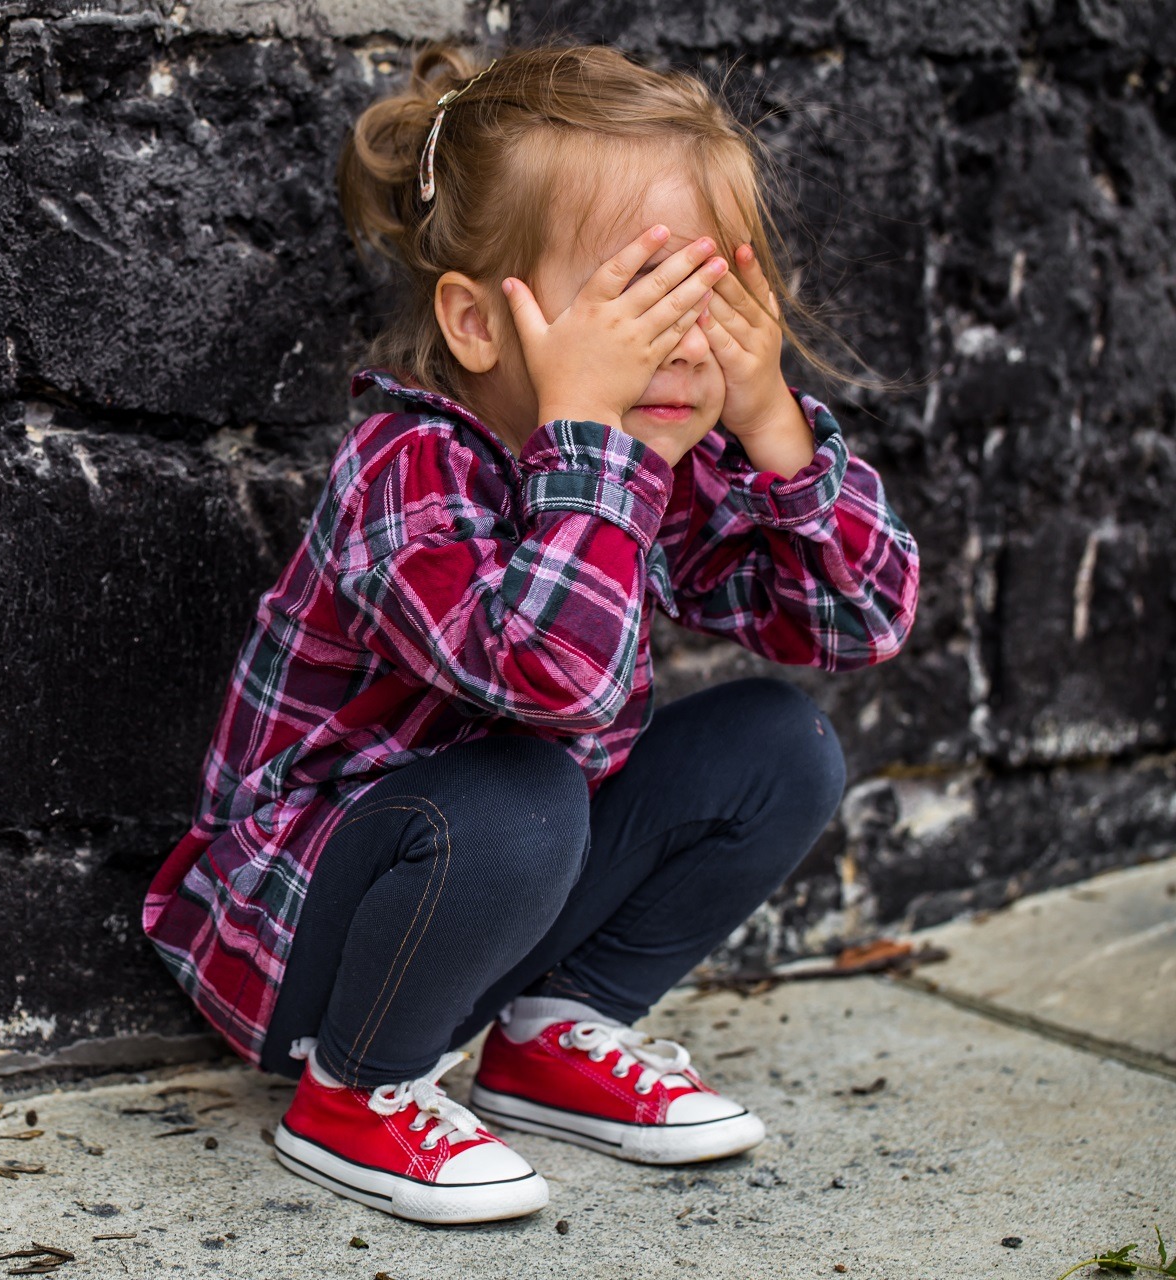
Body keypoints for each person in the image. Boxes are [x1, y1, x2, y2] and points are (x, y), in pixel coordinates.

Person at [141, 42, 921, 1225]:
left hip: (502, 883)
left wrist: (768, 421)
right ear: (475, 322)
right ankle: (353, 1090)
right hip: (309, 926)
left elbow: (862, 617)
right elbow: (549, 680)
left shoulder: (668, 459)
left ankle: (554, 1027)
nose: (676, 342)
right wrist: (599, 456)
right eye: (633, 300)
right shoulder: (407, 469)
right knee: (530, 788)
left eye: (704, 300)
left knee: (782, 743)